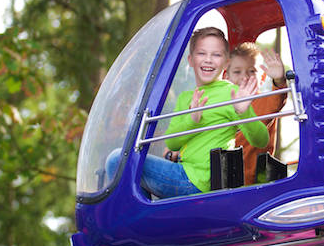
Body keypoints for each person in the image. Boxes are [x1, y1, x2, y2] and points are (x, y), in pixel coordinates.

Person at [107, 27, 268, 199]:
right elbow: (172, 142)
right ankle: (143, 218)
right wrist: (192, 120)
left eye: (216, 55)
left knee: (117, 161)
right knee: (128, 170)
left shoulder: (231, 94)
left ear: (226, 63)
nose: (208, 60)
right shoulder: (186, 98)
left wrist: (243, 113)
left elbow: (261, 140)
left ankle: (136, 221)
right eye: (202, 53)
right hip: (183, 172)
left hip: (198, 181)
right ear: (191, 60)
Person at [224, 43, 287, 185]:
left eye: (252, 71)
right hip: (222, 179)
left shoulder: (264, 102)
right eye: (237, 72)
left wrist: (279, 80)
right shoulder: (221, 105)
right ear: (226, 76)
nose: (244, 77)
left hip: (254, 182)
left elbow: (278, 99)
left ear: (263, 77)